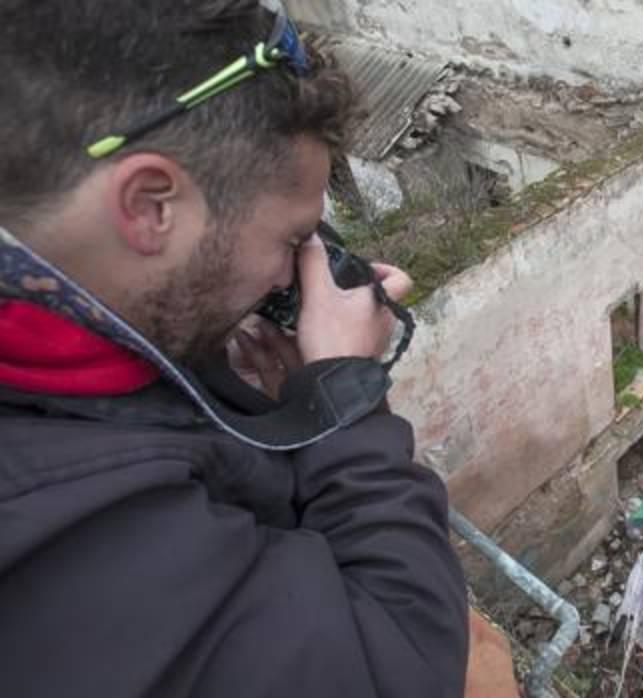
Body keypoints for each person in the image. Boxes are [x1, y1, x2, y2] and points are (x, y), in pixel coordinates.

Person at [0, 1, 472, 696]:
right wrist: (344, 398)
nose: (292, 276)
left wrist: (256, 394)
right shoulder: (57, 534)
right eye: (291, 241)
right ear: (151, 204)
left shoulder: (78, 332)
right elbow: (401, 663)